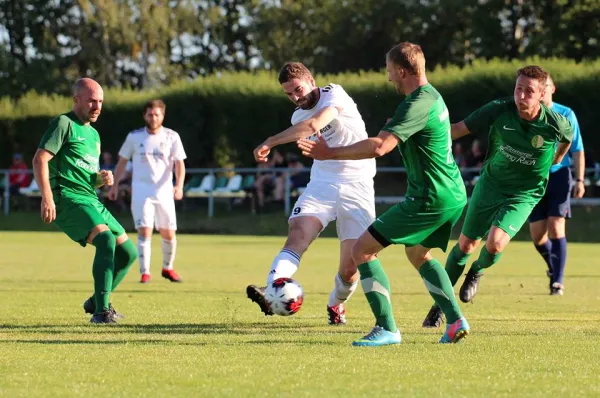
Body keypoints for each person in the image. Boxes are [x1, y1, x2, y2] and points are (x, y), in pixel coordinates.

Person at [298, 42, 469, 345]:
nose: (389, 78)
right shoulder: (433, 97)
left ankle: (387, 328)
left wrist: (329, 152)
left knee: (361, 250)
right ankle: (455, 321)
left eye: (390, 71)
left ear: (402, 71)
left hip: (429, 198)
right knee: (418, 253)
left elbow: (379, 147)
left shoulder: (415, 102)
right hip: (452, 193)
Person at [421, 66, 573, 328]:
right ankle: (440, 305)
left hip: (524, 193)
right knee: (466, 245)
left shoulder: (554, 123)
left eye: (529, 91)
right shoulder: (499, 109)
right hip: (490, 185)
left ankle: (477, 271)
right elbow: (456, 129)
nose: (521, 95)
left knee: (494, 245)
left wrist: (556, 159)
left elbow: (567, 140)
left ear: (542, 95)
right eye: (518, 88)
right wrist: (416, 132)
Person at [246, 62, 376, 326]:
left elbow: (315, 123)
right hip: (323, 182)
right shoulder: (297, 117)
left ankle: (335, 303)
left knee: (351, 268)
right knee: (298, 233)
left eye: (298, 89)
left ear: (311, 80)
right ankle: (272, 290)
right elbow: (306, 128)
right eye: (289, 95)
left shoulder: (334, 93)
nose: (295, 98)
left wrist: (270, 141)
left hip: (357, 184)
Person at [32, 78, 138, 324]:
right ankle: (102, 312)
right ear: (76, 99)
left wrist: (100, 179)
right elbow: (40, 159)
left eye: (100, 101)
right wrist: (47, 197)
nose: (96, 106)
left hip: (90, 198)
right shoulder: (63, 123)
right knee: (105, 239)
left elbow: (86, 176)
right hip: (67, 198)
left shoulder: (94, 135)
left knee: (129, 253)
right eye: (91, 100)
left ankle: (95, 301)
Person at [109, 99, 187, 284]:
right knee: (145, 231)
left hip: (164, 192)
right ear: (145, 115)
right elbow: (122, 162)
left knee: (169, 233)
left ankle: (168, 268)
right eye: (150, 114)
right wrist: (115, 185)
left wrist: (179, 185)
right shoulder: (134, 137)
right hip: (142, 192)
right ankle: (145, 272)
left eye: (157, 114)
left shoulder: (171, 136)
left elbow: (179, 163)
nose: (154, 118)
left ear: (163, 115)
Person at [528, 75, 585, 296]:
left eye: (546, 87)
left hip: (560, 176)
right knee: (537, 235)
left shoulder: (566, 114)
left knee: (555, 225)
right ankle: (554, 269)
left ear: (551, 88)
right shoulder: (530, 114)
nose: (542, 92)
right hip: (534, 178)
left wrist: (580, 180)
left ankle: (558, 282)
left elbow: (577, 149)